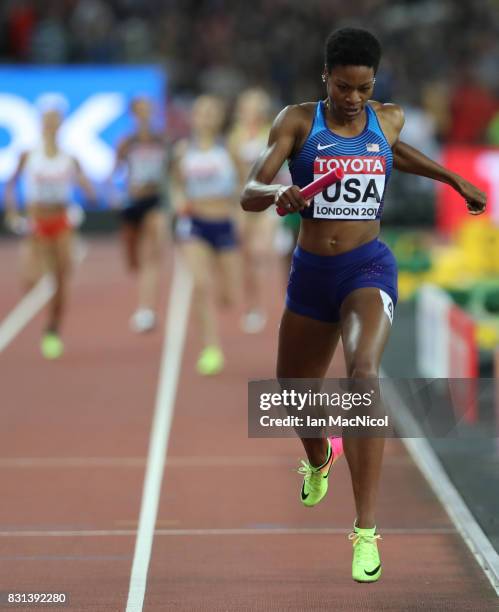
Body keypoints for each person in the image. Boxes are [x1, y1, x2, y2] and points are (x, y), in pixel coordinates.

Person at [241, 28, 486, 583]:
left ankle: (366, 528)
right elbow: (249, 188)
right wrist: (277, 193)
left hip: (367, 268)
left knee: (364, 378)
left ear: (374, 83)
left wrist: (453, 179)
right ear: (325, 77)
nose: (353, 98)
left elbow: (393, 151)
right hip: (311, 275)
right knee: (293, 392)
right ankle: (317, 456)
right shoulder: (297, 121)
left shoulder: (387, 117)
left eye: (363, 88)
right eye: (343, 87)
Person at [4, 94, 95, 359]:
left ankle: (52, 329)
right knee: (30, 280)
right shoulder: (28, 155)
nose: (52, 124)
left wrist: (86, 189)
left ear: (62, 123)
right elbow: (10, 186)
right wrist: (12, 212)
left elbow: (87, 189)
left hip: (62, 221)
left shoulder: (70, 157)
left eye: (56, 120)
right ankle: (44, 311)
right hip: (37, 221)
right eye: (47, 119)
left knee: (62, 276)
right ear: (40, 122)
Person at [172, 95, 240, 376]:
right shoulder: (183, 150)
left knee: (228, 296)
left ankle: (221, 313)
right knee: (201, 285)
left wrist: (241, 215)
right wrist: (179, 202)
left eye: (211, 112)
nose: (205, 117)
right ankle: (211, 348)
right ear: (193, 118)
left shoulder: (229, 149)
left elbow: (243, 184)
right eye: (200, 112)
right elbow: (176, 185)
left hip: (223, 223)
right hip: (194, 224)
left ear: (219, 118)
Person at [111, 95, 167, 333]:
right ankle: (145, 304)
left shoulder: (160, 140)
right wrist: (117, 192)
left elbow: (172, 169)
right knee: (133, 261)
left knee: (152, 254)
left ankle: (147, 308)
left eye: (148, 109)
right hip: (133, 203)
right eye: (140, 110)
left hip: (154, 200)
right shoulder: (127, 142)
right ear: (133, 114)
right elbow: (115, 171)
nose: (144, 114)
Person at [229, 88, 278, 334]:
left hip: (269, 199)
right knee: (248, 257)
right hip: (245, 201)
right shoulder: (235, 137)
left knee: (263, 252)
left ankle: (279, 304)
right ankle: (254, 306)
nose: (251, 112)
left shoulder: (271, 132)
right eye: (247, 107)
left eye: (255, 107)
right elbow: (233, 172)